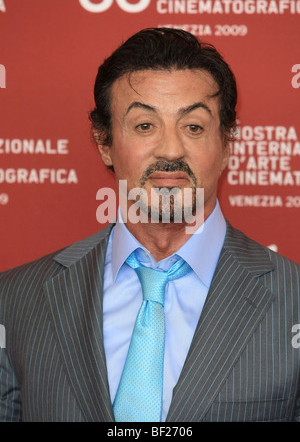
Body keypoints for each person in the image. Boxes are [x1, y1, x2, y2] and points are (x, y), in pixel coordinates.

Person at [0, 28, 300, 423]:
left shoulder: (292, 298)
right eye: (145, 126)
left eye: (193, 126)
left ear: (227, 144)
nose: (171, 150)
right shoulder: (15, 298)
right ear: (104, 143)